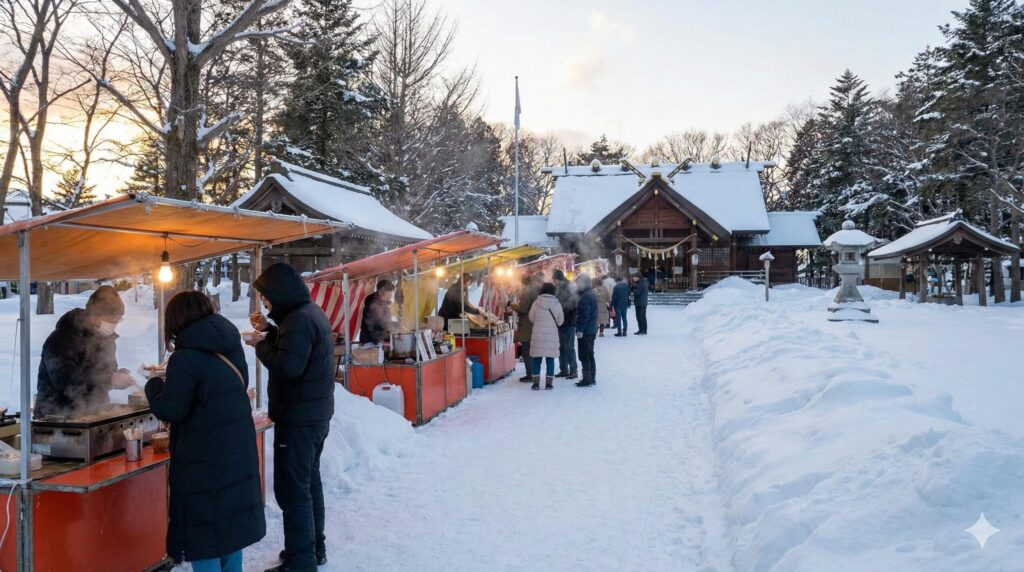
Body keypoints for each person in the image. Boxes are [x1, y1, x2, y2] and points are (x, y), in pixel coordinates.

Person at [144, 291, 265, 572]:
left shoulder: (185, 358)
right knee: (229, 530)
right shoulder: (229, 344)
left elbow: (171, 410)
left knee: (204, 536)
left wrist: (154, 385)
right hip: (235, 450)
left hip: (203, 460)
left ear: (176, 320)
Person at [246, 263, 335, 572]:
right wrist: (270, 331)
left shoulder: (298, 320)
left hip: (298, 419)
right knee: (309, 484)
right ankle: (313, 549)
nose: (266, 304)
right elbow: (295, 350)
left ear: (281, 293)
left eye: (267, 298)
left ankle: (301, 562)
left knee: (293, 491)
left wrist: (260, 345)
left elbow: (288, 366)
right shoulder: (309, 313)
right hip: (314, 415)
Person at [35, 285, 134, 418]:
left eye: (118, 319)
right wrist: (109, 379)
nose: (114, 324)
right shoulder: (61, 339)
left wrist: (119, 375)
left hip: (95, 411)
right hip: (59, 415)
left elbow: (105, 371)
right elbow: (65, 379)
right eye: (112, 319)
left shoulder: (106, 340)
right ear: (94, 316)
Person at [527, 282, 563, 390]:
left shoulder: (536, 303)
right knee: (550, 359)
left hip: (538, 335)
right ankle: (548, 384)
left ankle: (536, 384)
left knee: (536, 359)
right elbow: (560, 321)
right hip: (551, 336)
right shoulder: (557, 304)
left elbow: (531, 318)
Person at [509, 273, 541, 382]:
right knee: (531, 351)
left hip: (527, 324)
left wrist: (512, 305)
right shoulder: (535, 290)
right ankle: (533, 373)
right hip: (533, 323)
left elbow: (523, 309)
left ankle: (530, 374)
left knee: (527, 351)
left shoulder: (528, 292)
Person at [552, 269, 578, 380]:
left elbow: (571, 305)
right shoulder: (559, 288)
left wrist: (560, 312)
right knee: (561, 347)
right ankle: (563, 370)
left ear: (558, 279)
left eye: (554, 280)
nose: (554, 282)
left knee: (569, 347)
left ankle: (573, 371)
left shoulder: (568, 287)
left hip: (568, 322)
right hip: (561, 322)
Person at [575, 275, 598, 387]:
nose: (576, 286)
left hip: (586, 331)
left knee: (584, 355)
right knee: (590, 354)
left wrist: (580, 330)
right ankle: (591, 377)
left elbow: (585, 315)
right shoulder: (591, 293)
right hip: (591, 329)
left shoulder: (585, 296)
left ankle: (587, 379)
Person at [360, 279, 396, 345]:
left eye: (391, 293)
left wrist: (398, 326)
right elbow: (373, 325)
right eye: (389, 294)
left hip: (381, 340)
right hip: (370, 342)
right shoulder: (372, 302)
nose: (391, 296)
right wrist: (379, 341)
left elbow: (386, 322)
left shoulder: (384, 304)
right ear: (381, 292)